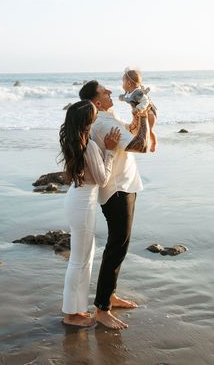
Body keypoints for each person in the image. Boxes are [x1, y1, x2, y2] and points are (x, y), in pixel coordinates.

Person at [78, 80, 154, 330]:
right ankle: (102, 309)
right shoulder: (104, 123)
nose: (111, 91)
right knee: (117, 247)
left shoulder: (108, 116)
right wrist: (142, 112)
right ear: (96, 102)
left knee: (119, 245)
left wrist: (138, 113)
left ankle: (109, 296)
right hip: (117, 191)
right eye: (104, 91)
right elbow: (140, 146)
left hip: (124, 186)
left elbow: (132, 134)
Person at [59, 100, 121, 327]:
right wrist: (111, 152)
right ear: (88, 121)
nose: (98, 115)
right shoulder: (89, 147)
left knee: (82, 258)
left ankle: (76, 310)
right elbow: (102, 178)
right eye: (95, 113)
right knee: (79, 261)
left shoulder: (77, 143)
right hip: (84, 205)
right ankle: (71, 315)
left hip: (77, 200)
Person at [119, 67, 158, 153]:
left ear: (128, 84)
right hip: (142, 114)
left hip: (150, 113)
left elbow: (146, 101)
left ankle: (154, 143)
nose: (122, 84)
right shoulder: (129, 92)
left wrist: (139, 108)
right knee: (139, 128)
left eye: (123, 82)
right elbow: (127, 98)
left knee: (150, 130)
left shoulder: (138, 93)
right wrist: (122, 98)